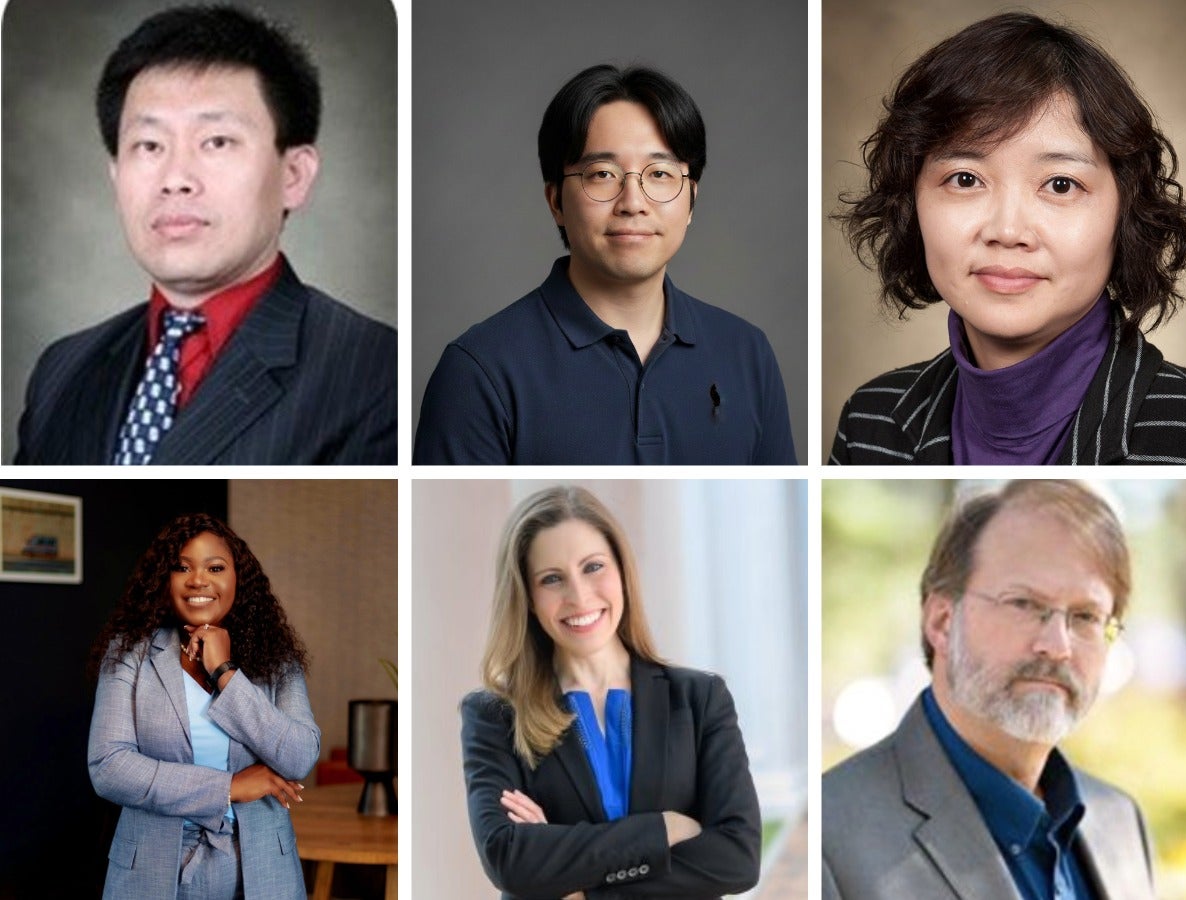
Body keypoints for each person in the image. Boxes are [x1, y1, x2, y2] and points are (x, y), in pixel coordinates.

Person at [828, 13, 1186, 466]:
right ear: (911, 202)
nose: (1008, 232)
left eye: (1060, 185)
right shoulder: (870, 421)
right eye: (966, 178)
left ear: (1126, 210)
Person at [13, 5, 396, 466]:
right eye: (149, 146)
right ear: (116, 176)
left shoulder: (375, 374)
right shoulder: (63, 370)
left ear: (293, 175)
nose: (176, 177)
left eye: (216, 142)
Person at [414, 65, 795, 465]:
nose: (633, 202)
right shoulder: (479, 371)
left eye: (660, 173)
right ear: (556, 201)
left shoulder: (747, 353)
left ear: (691, 199)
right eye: (602, 174)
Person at [822, 481, 1156, 900]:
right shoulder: (828, 837)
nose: (1057, 646)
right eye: (1024, 604)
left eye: (1086, 616)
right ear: (942, 622)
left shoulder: (1122, 822)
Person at [460, 486, 761, 898]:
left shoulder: (700, 699)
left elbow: (737, 858)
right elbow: (508, 858)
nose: (579, 596)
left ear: (622, 571)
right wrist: (663, 829)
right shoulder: (495, 716)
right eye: (552, 579)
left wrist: (579, 884)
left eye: (593, 567)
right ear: (528, 598)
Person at [87, 513, 319, 899]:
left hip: (260, 869)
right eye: (182, 567)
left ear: (237, 579)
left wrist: (225, 672)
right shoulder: (130, 651)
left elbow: (298, 756)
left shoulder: (277, 660)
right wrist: (228, 788)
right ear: (165, 579)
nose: (198, 580)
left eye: (215, 567)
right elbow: (108, 766)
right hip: (152, 869)